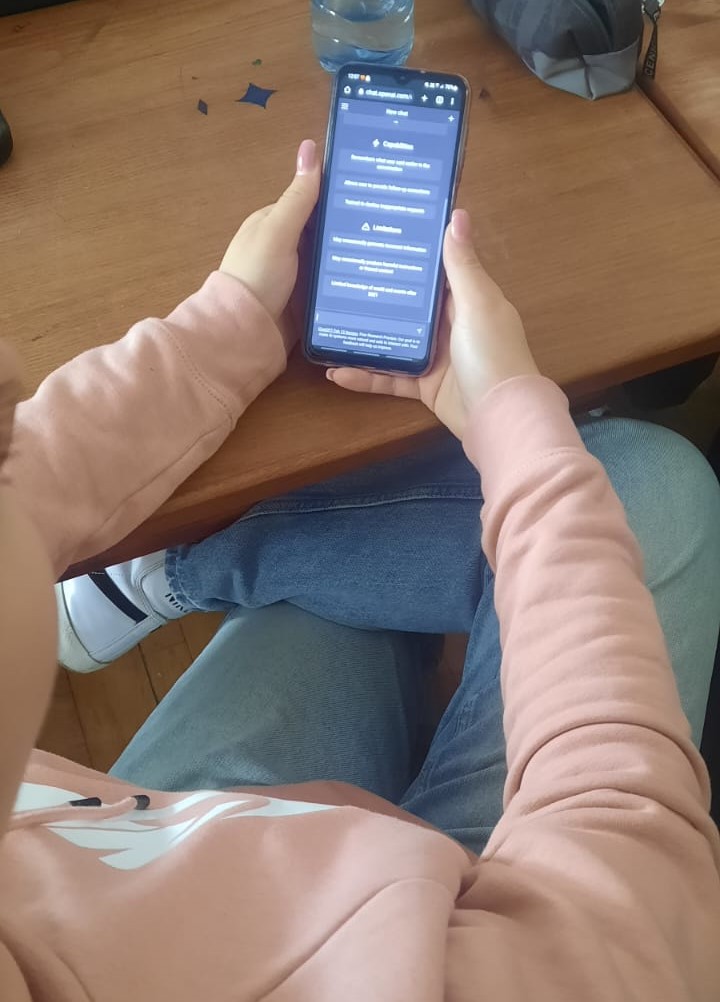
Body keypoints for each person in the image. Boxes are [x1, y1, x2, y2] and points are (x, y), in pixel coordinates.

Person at [1, 139, 719, 1001]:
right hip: (469, 932)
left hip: (157, 851)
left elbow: (34, 477)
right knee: (651, 487)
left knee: (337, 601)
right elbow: (634, 911)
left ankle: (170, 568)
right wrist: (513, 423)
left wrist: (222, 330)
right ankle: (181, 566)